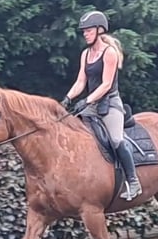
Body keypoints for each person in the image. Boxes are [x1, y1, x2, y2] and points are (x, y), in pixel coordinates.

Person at [60, 10, 142, 200]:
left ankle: (133, 181)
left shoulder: (109, 52)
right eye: (84, 31)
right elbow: (81, 81)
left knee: (115, 140)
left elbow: (106, 84)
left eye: (88, 31)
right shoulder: (85, 54)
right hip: (92, 104)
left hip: (110, 104)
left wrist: (86, 100)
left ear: (99, 30)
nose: (85, 34)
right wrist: (67, 98)